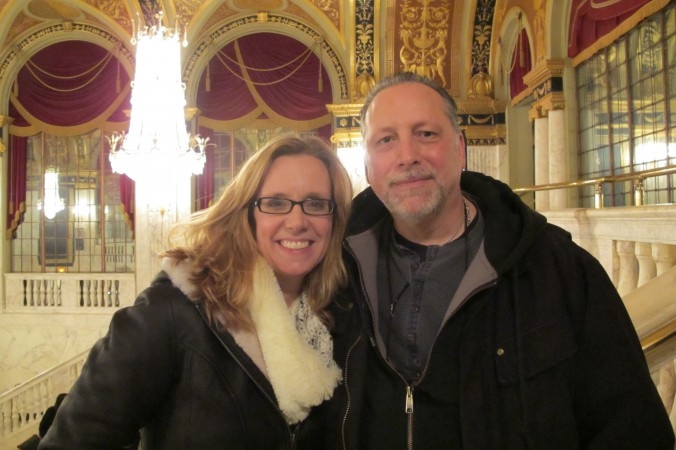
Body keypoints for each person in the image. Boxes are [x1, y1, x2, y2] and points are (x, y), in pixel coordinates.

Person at [326, 72, 675, 449]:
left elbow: (633, 428)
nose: (407, 155)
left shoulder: (560, 271)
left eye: (426, 134)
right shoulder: (333, 274)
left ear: (460, 148)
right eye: (386, 140)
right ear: (366, 165)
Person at [38, 135, 353, 449]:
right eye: (275, 203)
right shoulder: (171, 312)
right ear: (247, 214)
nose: (297, 221)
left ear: (334, 220)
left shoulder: (338, 320)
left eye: (315, 204)